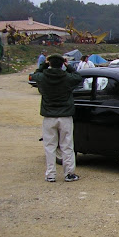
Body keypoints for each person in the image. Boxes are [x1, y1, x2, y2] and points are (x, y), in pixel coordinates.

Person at [31, 53, 83, 182]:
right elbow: (78, 76)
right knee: (67, 146)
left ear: (50, 63)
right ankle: (69, 173)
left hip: (49, 116)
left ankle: (50, 174)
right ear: (62, 64)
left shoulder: (43, 77)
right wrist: (68, 66)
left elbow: (35, 74)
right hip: (65, 116)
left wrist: (44, 65)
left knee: (50, 146)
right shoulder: (67, 78)